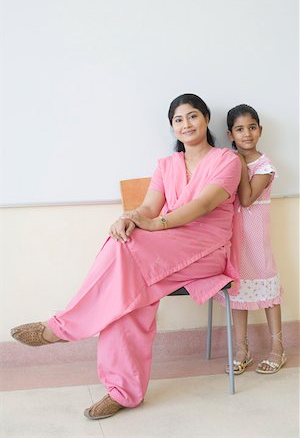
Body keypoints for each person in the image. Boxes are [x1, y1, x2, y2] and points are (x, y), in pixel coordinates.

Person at [11, 94, 241, 420]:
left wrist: (153, 224)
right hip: (167, 250)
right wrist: (130, 218)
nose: (186, 124)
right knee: (128, 286)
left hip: (208, 251)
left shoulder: (227, 161)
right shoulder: (166, 165)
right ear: (172, 127)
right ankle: (122, 392)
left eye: (192, 116)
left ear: (205, 119)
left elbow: (202, 206)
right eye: (178, 119)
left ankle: (64, 328)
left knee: (128, 261)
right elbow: (148, 207)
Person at [214, 104, 286, 375]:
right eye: (240, 129)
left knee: (268, 291)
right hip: (233, 238)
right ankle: (242, 350)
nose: (247, 134)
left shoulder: (265, 167)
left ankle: (278, 350)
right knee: (238, 291)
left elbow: (245, 199)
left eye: (252, 127)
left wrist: (241, 167)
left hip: (256, 238)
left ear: (260, 130)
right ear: (230, 134)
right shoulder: (227, 161)